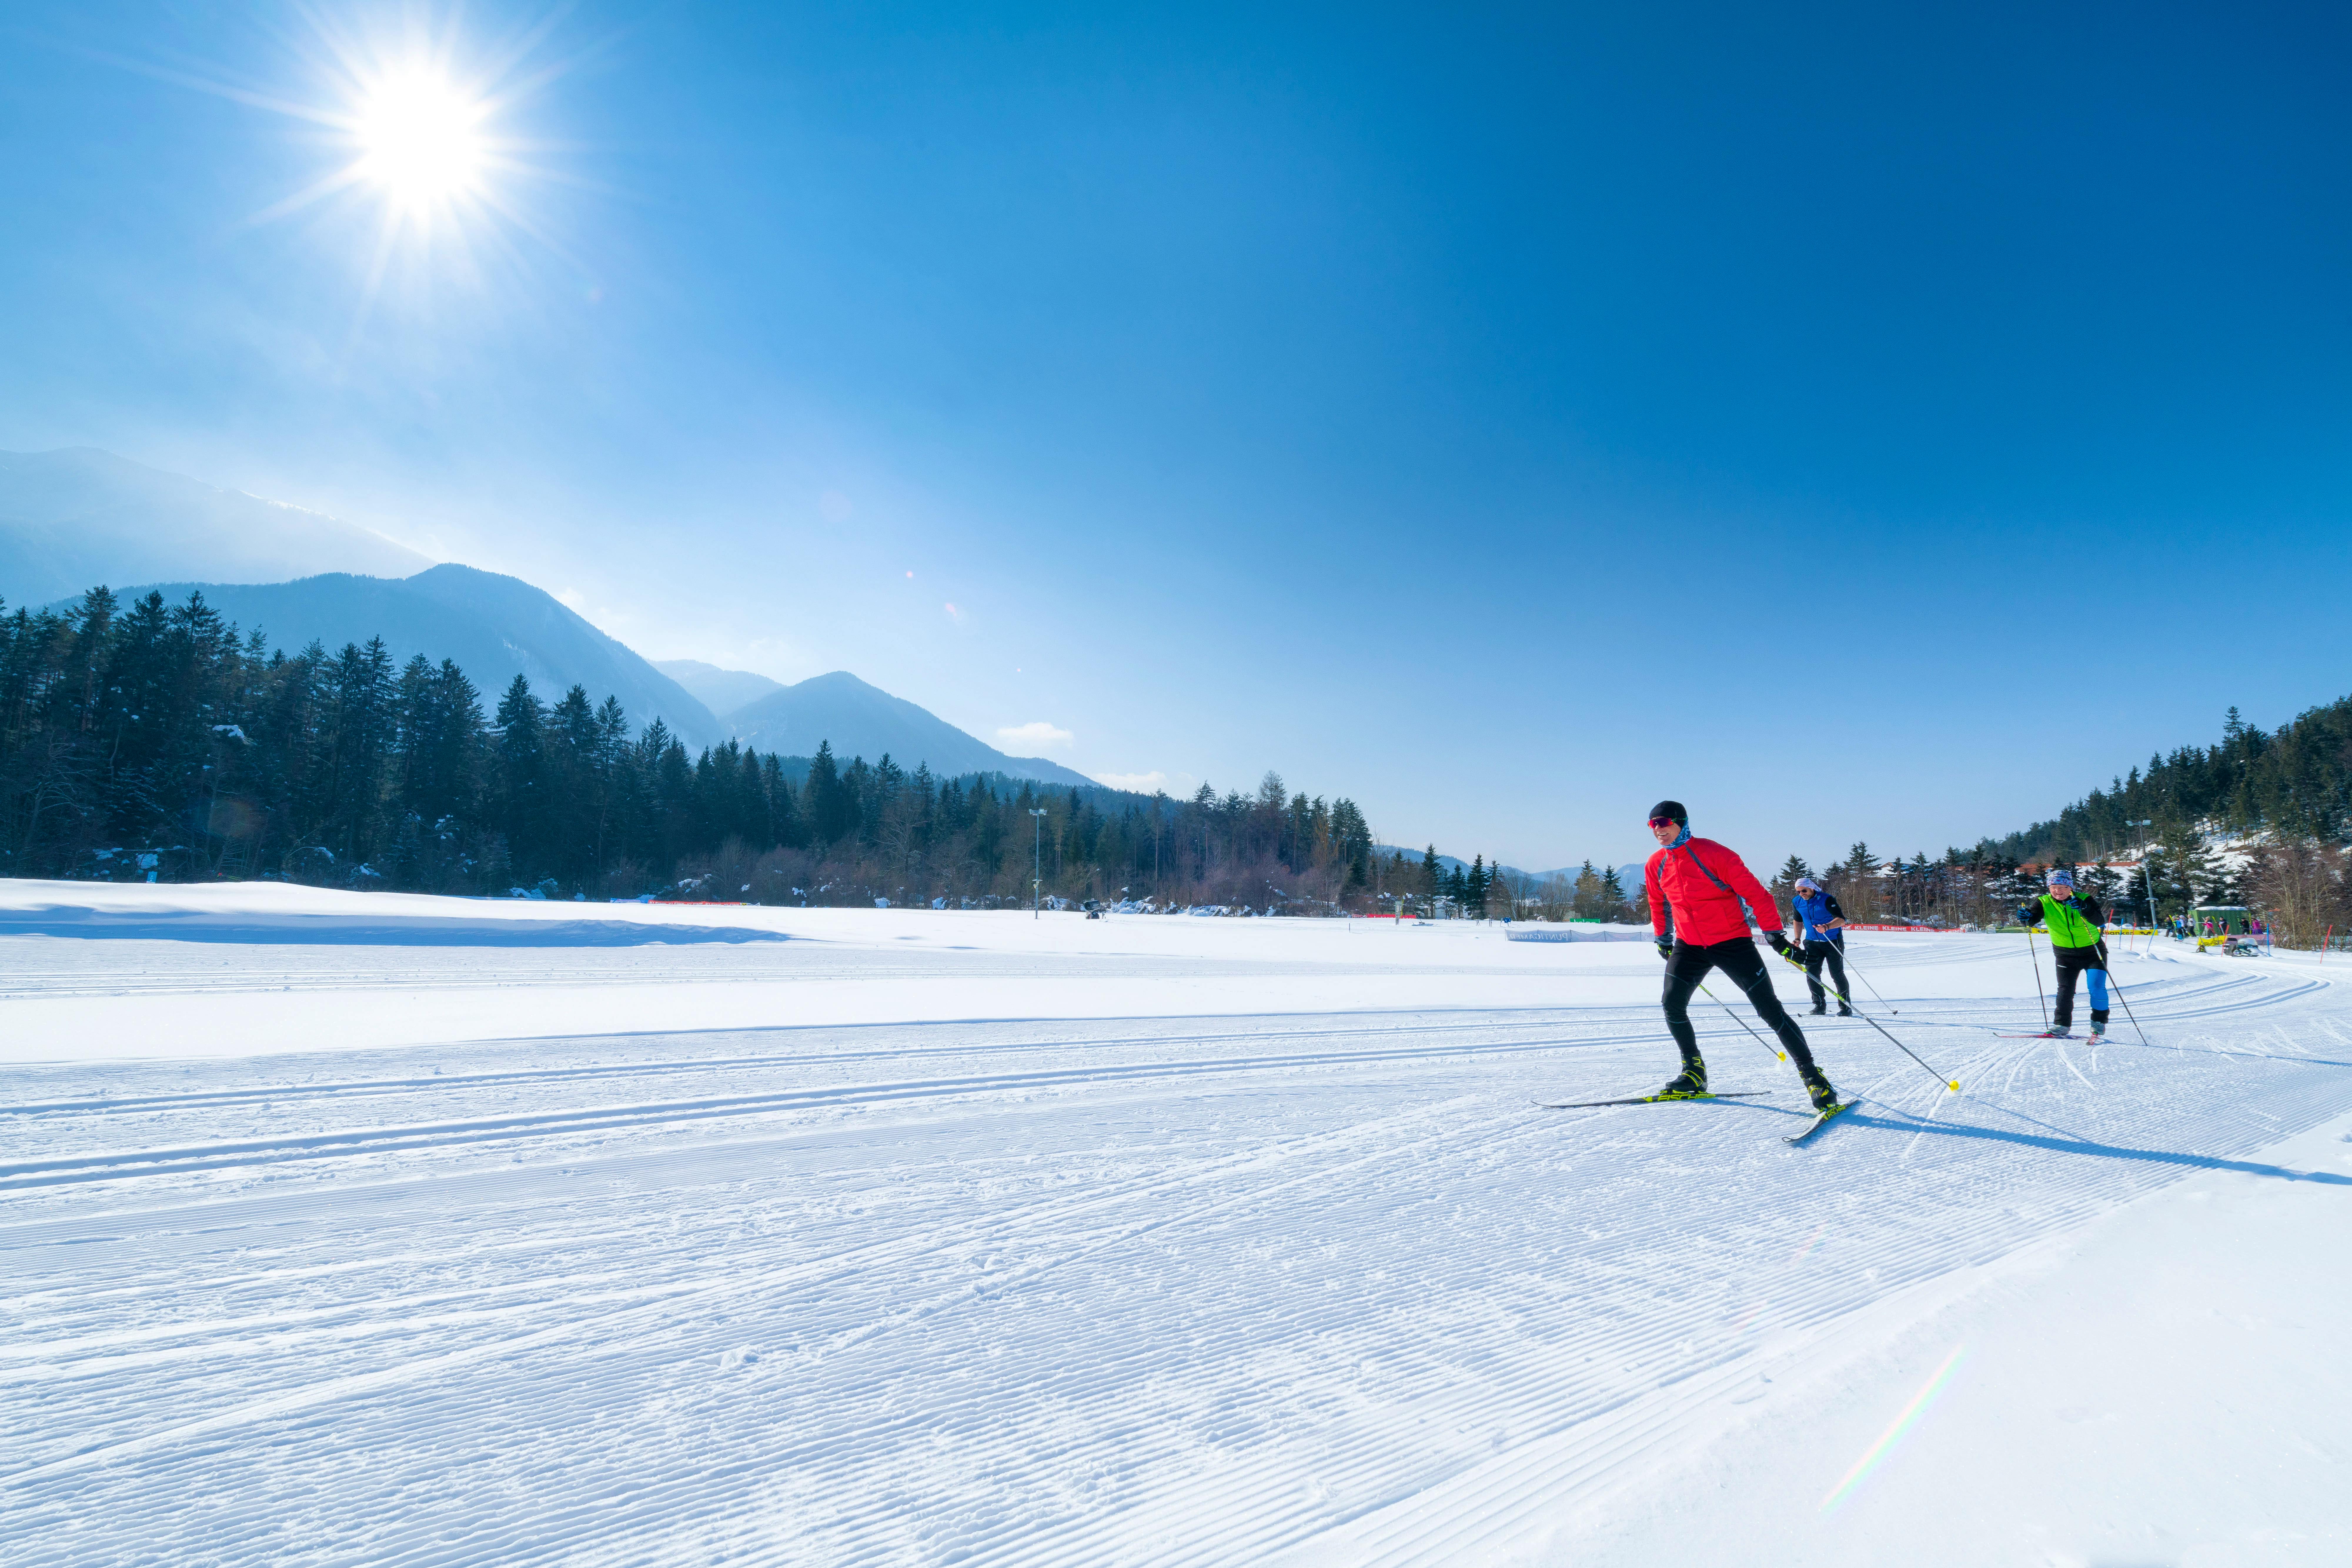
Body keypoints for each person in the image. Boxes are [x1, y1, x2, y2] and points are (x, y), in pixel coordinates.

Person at [1642, 801, 1839, 1110]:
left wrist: (1774, 934)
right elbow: (1657, 902)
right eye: (1651, 824)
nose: (1657, 829)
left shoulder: (1715, 854)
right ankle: (1693, 1072)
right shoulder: (1656, 863)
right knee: (1672, 1003)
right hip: (1690, 944)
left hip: (1731, 941)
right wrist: (1662, 937)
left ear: (1680, 822)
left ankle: (1813, 1077)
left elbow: (1757, 895)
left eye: (1663, 822)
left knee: (1770, 1011)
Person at [2016, 867, 2108, 1038]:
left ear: (2070, 887)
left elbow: (2100, 921)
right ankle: (2061, 1025)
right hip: (2065, 954)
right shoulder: (2044, 902)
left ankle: (2099, 1022)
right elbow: (2031, 919)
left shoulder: (2085, 899)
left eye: (2063, 887)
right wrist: (2025, 917)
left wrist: (2085, 909)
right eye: (2053, 887)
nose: (2058, 891)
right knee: (2065, 990)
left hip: (2093, 952)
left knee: (2096, 988)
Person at [1789, 875, 1852, 1016]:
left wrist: (1827, 926)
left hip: (1832, 941)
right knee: (1812, 974)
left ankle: (1845, 1007)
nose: (1802, 894)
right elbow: (1798, 921)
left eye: (1804, 891)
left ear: (1811, 888)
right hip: (1811, 943)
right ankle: (1819, 1006)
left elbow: (1842, 920)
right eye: (1798, 892)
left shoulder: (1826, 899)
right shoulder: (1797, 902)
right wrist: (1797, 938)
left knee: (1837, 974)